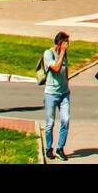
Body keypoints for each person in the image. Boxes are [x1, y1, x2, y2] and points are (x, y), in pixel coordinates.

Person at [41, 31, 72, 159]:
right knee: (50, 123)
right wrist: (62, 52)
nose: (67, 46)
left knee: (65, 120)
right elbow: (56, 68)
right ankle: (49, 148)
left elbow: (65, 70)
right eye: (65, 43)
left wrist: (67, 85)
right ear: (60, 43)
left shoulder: (64, 54)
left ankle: (60, 148)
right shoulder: (48, 54)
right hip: (51, 94)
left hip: (64, 93)